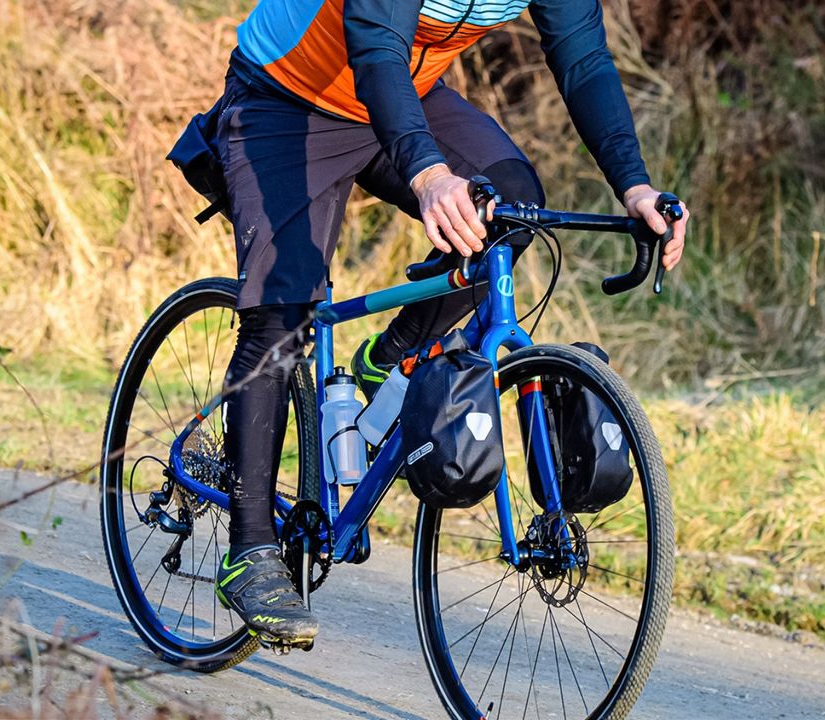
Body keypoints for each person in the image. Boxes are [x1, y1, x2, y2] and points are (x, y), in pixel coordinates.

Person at [190, 0, 691, 647]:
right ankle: (251, 549)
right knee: (281, 314)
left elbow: (583, 53)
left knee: (511, 211)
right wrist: (427, 174)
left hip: (404, 92)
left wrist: (636, 188)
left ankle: (393, 358)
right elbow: (373, 42)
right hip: (289, 95)